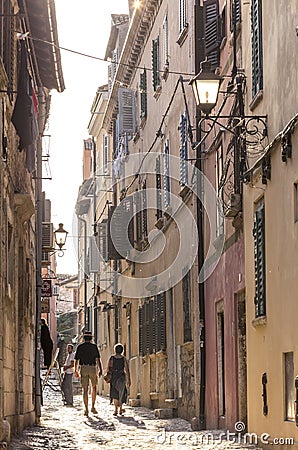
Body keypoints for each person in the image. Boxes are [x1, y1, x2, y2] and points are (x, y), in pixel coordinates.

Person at [74, 331, 102, 416]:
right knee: (94, 387)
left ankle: (86, 409)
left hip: (84, 368)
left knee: (85, 389)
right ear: (91, 338)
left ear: (83, 338)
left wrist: (76, 370)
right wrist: (100, 369)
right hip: (93, 368)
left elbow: (77, 360)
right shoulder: (94, 347)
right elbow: (97, 359)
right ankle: (93, 407)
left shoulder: (80, 347)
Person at [107, 343, 131, 416]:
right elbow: (127, 369)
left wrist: (108, 375)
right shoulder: (124, 359)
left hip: (114, 377)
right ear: (122, 351)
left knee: (114, 393)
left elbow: (109, 368)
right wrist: (129, 379)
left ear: (115, 350)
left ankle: (115, 410)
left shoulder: (112, 358)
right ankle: (120, 409)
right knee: (122, 392)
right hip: (121, 376)